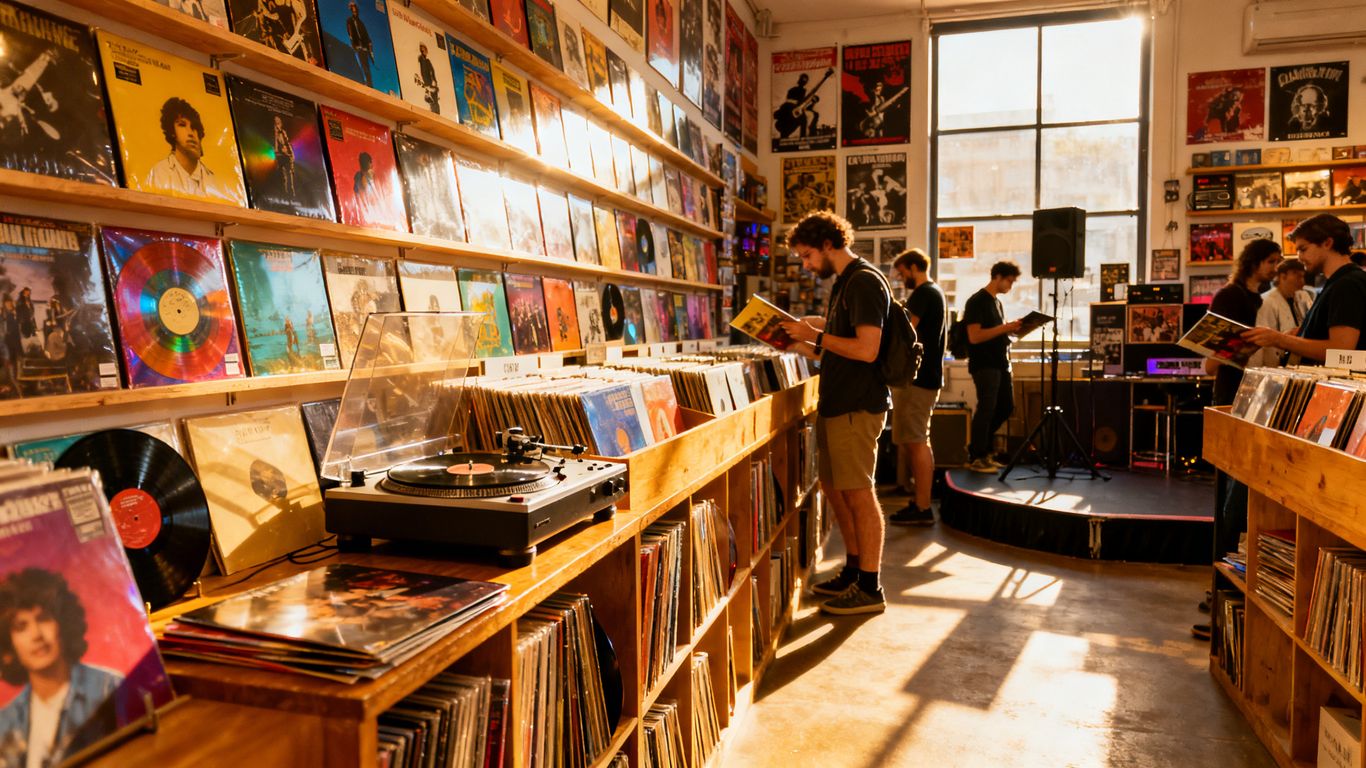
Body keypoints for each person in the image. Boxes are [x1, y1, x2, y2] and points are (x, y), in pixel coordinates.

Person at [778, 212, 891, 616]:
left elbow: (867, 350)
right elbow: (840, 349)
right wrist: (801, 343)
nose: (806, 266)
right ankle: (854, 570)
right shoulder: (845, 283)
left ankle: (870, 587)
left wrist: (817, 336)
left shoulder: (863, 281)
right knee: (836, 488)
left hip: (857, 406)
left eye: (807, 256)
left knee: (859, 493)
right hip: (837, 401)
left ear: (828, 244)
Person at [0, 568, 122, 767]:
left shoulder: (110, 688)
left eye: (44, 618)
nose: (36, 635)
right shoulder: (5, 721)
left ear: (64, 624)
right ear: (9, 645)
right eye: (21, 627)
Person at [1244, 214, 1366, 361]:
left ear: (1327, 243)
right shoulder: (1338, 282)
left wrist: (1279, 339)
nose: (1299, 257)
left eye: (1303, 249)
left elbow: (1341, 352)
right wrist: (1303, 333)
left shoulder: (1347, 284)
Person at [887, 248, 946, 527]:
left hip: (919, 380)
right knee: (915, 439)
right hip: (923, 378)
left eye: (902, 272)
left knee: (917, 440)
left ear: (913, 267)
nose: (901, 278)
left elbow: (905, 330)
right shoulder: (933, 293)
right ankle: (919, 501)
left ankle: (923, 506)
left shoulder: (924, 294)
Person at [963, 261, 1023, 472]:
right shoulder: (977, 301)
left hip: (1000, 363)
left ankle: (983, 449)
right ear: (997, 276)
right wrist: (1004, 328)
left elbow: (995, 332)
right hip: (985, 364)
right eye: (1009, 281)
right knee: (987, 409)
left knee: (1006, 406)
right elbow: (975, 336)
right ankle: (978, 455)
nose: (1010, 286)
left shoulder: (997, 303)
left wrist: (1010, 331)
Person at [1205, 239, 1281, 405]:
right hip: (1231, 384)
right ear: (1254, 263)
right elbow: (1214, 349)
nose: (1275, 268)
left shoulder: (1258, 297)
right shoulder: (1229, 295)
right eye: (1270, 261)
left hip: (1255, 381)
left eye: (1277, 262)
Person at [146, 98, 224, 199]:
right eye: (182, 125)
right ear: (172, 132)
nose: (191, 133)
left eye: (194, 127)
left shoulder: (215, 182)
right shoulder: (158, 173)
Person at [1248, 258, 1314, 368]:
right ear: (1283, 276)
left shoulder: (1304, 296)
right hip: (1274, 365)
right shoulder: (1266, 302)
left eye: (1303, 276)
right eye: (1297, 276)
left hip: (1300, 363)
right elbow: (1261, 340)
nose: (1302, 281)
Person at [346, 2, 374, 88]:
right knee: (360, 65)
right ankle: (364, 82)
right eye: (353, 10)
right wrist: (354, 45)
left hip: (364, 49)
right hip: (358, 48)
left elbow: (367, 37)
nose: (355, 12)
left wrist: (370, 50)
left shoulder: (361, 23)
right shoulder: (349, 21)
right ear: (351, 10)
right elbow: (350, 34)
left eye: (356, 10)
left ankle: (369, 84)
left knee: (366, 67)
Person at [273, 115, 295, 196]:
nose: (277, 125)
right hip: (279, 156)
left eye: (278, 123)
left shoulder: (283, 132)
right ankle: (285, 193)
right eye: (276, 123)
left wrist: (291, 153)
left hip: (285, 155)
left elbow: (287, 143)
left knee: (289, 174)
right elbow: (275, 146)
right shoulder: (274, 134)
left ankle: (291, 192)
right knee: (282, 176)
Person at [416, 43, 439, 113]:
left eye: (424, 50)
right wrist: (430, 82)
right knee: (433, 101)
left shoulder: (426, 61)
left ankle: (435, 113)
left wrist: (433, 81)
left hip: (430, 83)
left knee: (434, 100)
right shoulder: (423, 61)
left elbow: (431, 72)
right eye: (422, 50)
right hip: (429, 83)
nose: (423, 52)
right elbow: (425, 72)